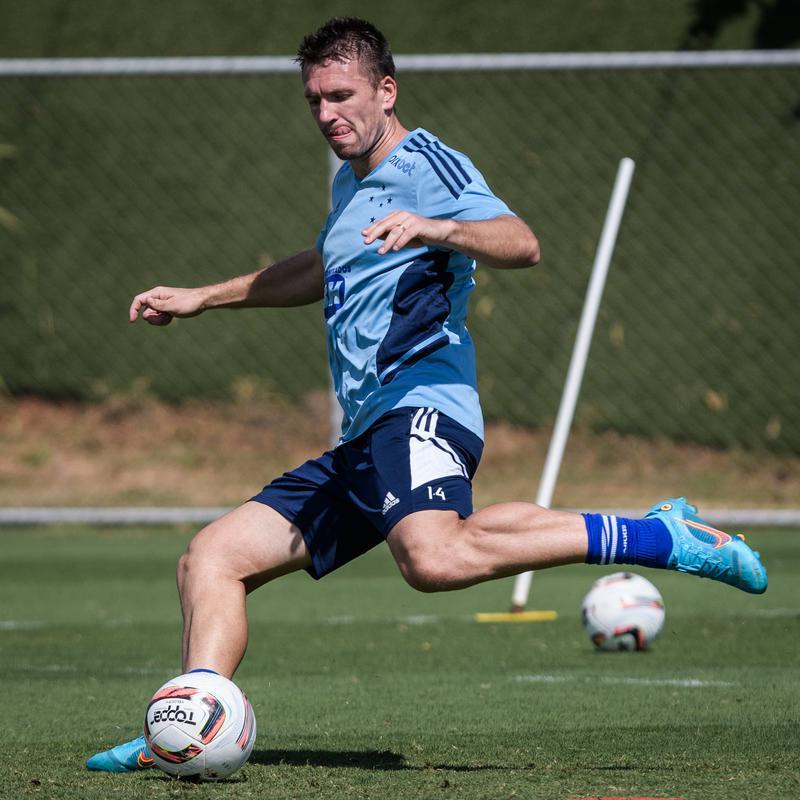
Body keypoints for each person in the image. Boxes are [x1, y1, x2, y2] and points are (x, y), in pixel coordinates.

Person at [87, 17, 767, 773]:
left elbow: (521, 241)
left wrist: (435, 227)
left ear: (386, 90)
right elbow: (319, 269)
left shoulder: (425, 163)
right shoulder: (351, 180)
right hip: (366, 434)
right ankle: (186, 728)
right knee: (210, 557)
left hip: (424, 405)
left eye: (340, 96)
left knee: (433, 558)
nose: (325, 115)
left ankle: (661, 539)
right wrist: (204, 297)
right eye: (313, 100)